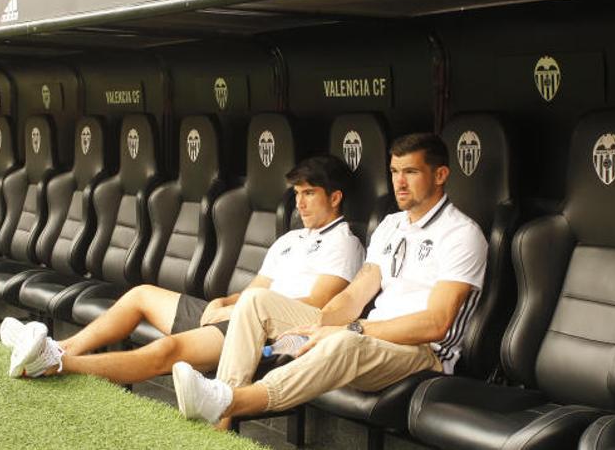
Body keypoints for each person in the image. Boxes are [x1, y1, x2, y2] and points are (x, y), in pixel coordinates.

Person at [171, 133, 488, 429]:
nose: (399, 183)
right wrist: (320, 325)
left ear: (441, 175)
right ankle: (220, 426)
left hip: (421, 353)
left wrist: (350, 329)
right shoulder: (392, 225)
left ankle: (226, 401)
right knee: (255, 301)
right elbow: (353, 297)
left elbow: (436, 324)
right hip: (369, 337)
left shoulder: (461, 234)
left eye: (411, 172)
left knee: (345, 341)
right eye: (394, 171)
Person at [2, 155, 366, 384]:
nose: (300, 202)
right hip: (235, 315)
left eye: (310, 194)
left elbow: (317, 306)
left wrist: (239, 309)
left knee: (167, 351)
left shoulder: (345, 242)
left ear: (335, 198)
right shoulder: (289, 239)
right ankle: (59, 346)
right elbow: (257, 286)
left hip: (269, 333)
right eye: (298, 194)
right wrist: (224, 301)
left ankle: (59, 365)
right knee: (141, 294)